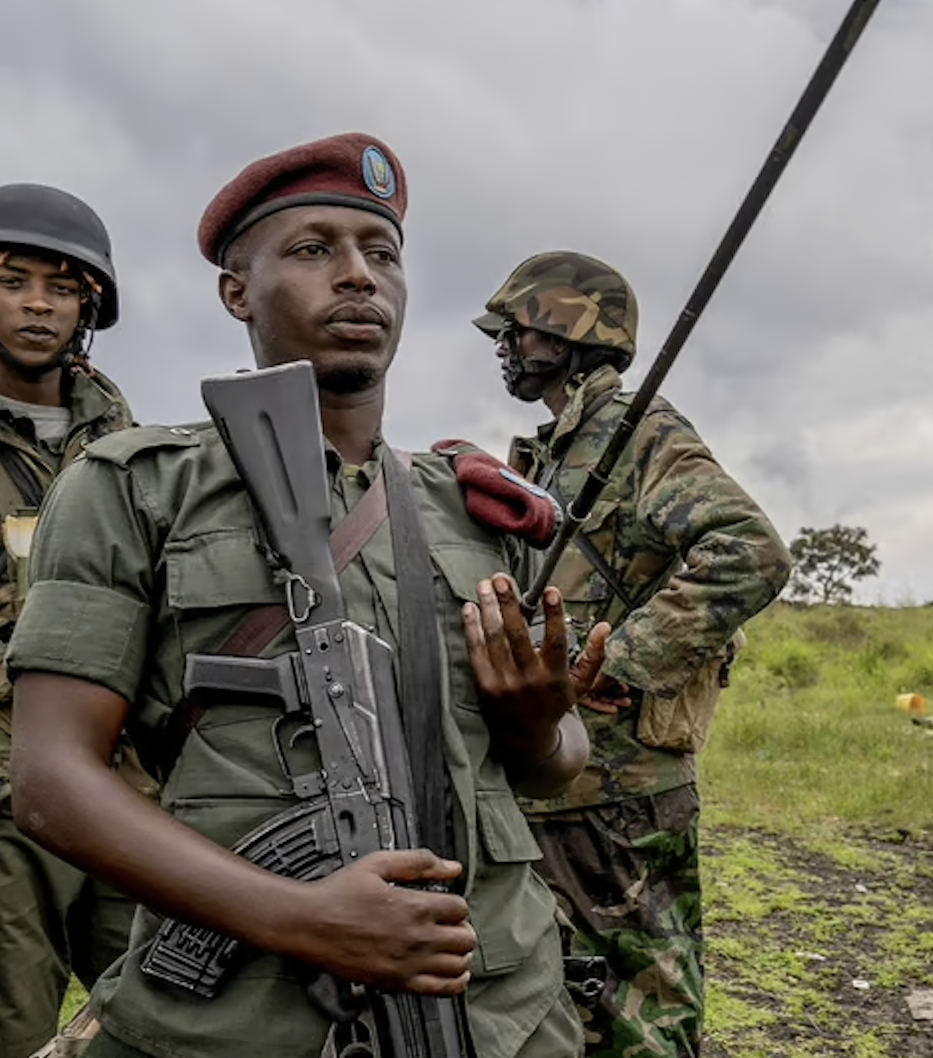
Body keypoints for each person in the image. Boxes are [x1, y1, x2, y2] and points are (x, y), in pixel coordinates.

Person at [4, 133, 607, 1058]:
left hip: (498, 1009)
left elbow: (550, 761)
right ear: (236, 291)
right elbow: (51, 781)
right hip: (235, 1022)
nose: (358, 277)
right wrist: (301, 918)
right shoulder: (134, 489)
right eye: (313, 250)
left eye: (382, 254)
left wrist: (539, 723)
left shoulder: (477, 508)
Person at [475, 251, 790, 1057]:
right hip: (556, 781)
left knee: (637, 1024)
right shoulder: (555, 451)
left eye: (516, 334)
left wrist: (619, 663)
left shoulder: (637, 431)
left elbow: (750, 551)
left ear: (564, 333)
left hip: (619, 796)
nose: (504, 349)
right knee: (558, 1014)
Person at [0, 183, 141, 1058]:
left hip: (125, 785)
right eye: (14, 281)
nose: (38, 305)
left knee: (164, 1015)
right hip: (6, 795)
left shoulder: (127, 448)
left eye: (63, 288)